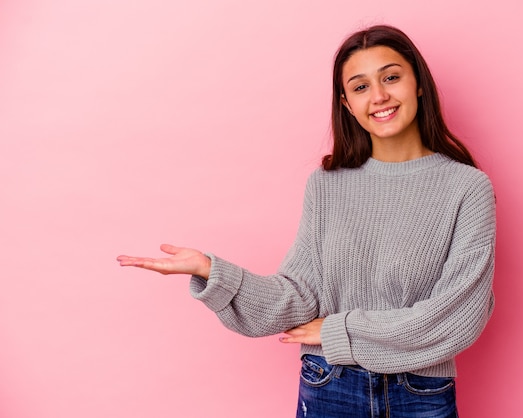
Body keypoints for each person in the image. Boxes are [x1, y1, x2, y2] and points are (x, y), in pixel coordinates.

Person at [117, 24, 496, 418]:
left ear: (418, 83)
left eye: (391, 77)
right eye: (361, 86)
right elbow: (299, 295)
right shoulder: (327, 185)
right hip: (329, 384)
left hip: (419, 392)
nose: (380, 96)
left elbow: (456, 318)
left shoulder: (466, 188)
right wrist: (213, 272)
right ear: (347, 103)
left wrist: (340, 330)